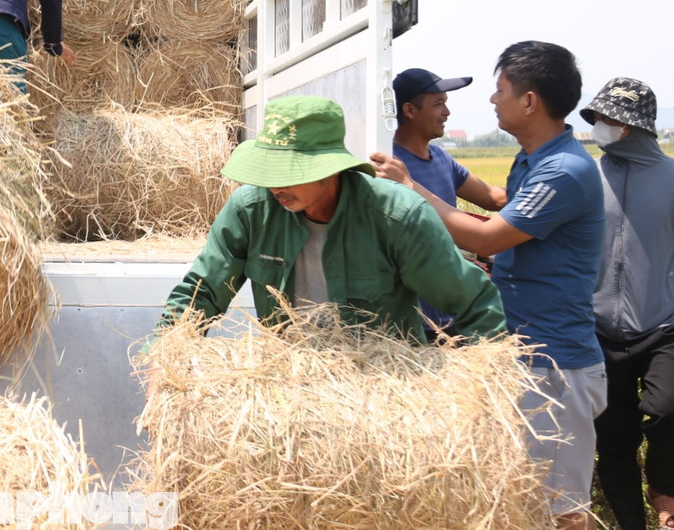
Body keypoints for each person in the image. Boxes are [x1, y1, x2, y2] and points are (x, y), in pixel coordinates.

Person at [371, 41, 606, 530]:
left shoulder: (562, 171)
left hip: (553, 363)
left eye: (501, 90)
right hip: (522, 352)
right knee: (521, 500)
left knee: (562, 508)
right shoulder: (531, 161)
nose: (493, 100)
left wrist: (410, 188)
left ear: (529, 101)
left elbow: (487, 238)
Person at [154, 95, 507, 345]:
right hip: (289, 383)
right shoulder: (251, 211)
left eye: (289, 172)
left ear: (331, 168)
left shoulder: (397, 216)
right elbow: (200, 294)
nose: (276, 185)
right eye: (269, 171)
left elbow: (476, 304)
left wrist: (476, 389)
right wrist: (164, 353)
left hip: (381, 389)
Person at [581, 77, 674, 530]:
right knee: (614, 438)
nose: (598, 127)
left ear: (630, 126)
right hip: (597, 331)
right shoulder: (586, 177)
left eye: (605, 119)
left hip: (665, 326)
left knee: (672, 411)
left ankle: (664, 489)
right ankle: (633, 523)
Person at [391, 68, 509, 339]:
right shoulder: (390, 166)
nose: (447, 112)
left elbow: (492, 198)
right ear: (409, 110)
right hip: (414, 319)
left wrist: (539, 186)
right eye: (438, 104)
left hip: (453, 309)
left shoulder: (442, 158)